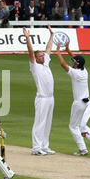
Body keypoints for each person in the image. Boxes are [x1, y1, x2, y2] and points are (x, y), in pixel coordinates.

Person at [54, 42, 90, 156]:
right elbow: (75, 59)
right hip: (86, 102)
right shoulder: (84, 71)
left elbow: (62, 64)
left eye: (74, 62)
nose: (73, 63)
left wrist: (58, 52)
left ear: (77, 64)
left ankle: (83, 149)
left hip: (79, 103)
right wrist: (68, 49)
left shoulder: (76, 73)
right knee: (82, 125)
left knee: (73, 126)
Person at [23, 25, 55, 156]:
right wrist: (27, 39)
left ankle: (44, 146)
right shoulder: (34, 66)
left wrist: (51, 35)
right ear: (36, 58)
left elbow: (48, 48)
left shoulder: (46, 62)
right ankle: (36, 148)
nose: (43, 56)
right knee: (39, 123)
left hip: (51, 97)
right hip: (41, 98)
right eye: (41, 56)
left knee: (47, 123)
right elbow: (30, 52)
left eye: (43, 55)